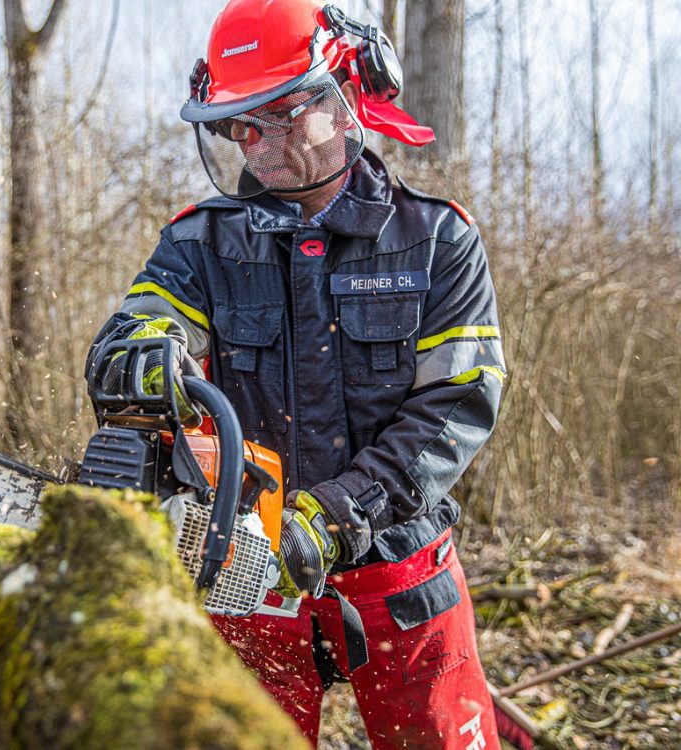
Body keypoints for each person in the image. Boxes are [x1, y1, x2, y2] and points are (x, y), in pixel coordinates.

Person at [86, 1, 507, 748]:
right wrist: (142, 352)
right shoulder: (200, 243)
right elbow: (142, 321)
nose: (258, 143)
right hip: (249, 571)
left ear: (345, 98)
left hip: (399, 572)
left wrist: (337, 514)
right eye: (240, 123)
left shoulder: (435, 240)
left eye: (278, 115)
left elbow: (455, 406)